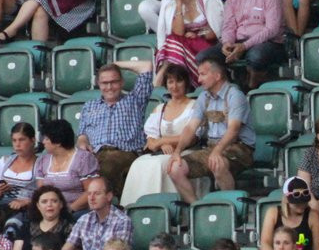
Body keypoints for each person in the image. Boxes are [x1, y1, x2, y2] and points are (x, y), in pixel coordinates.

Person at [167, 57, 257, 202]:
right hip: (212, 148)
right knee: (175, 169)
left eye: (203, 74)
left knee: (217, 162)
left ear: (217, 75)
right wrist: (177, 151)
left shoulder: (235, 95)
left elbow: (233, 130)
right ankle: (196, 209)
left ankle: (230, 206)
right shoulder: (203, 97)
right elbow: (190, 127)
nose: (199, 79)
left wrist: (217, 151)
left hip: (240, 149)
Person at [198, 0, 285, 90]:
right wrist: (227, 43)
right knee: (204, 57)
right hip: (238, 42)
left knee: (255, 56)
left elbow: (272, 29)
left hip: (268, 42)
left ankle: (251, 88)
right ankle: (229, 90)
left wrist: (244, 46)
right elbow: (228, 26)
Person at [121, 64, 200, 206]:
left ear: (186, 83)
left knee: (159, 165)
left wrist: (164, 140)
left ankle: (166, 208)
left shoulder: (194, 106)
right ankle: (136, 208)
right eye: (170, 82)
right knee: (139, 164)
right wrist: (162, 143)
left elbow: (192, 137)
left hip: (186, 151)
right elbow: (151, 141)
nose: (174, 86)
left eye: (179, 81)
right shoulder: (160, 108)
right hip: (162, 151)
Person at [75, 63, 152, 199]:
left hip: (123, 152)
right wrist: (82, 141)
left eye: (114, 82)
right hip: (95, 153)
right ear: (98, 83)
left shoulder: (135, 100)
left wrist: (115, 63)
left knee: (104, 170)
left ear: (122, 82)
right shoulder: (89, 106)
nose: (109, 87)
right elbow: (82, 134)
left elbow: (146, 66)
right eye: (105, 83)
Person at [152, 0, 223, 84]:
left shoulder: (208, 0)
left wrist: (198, 34)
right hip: (184, 48)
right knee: (173, 41)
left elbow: (218, 32)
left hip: (208, 46)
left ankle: (160, 81)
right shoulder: (170, 1)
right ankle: (177, 82)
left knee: (173, 42)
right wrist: (179, 3)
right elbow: (179, 33)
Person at [61, 176, 133, 250]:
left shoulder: (122, 221)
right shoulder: (84, 220)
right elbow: (67, 249)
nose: (91, 198)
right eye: (89, 194)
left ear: (109, 196)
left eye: (97, 193)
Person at [34, 120, 99, 214]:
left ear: (58, 142)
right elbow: (41, 192)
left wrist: (69, 209)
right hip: (49, 211)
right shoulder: (43, 160)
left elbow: (91, 191)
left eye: (47, 139)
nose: (43, 142)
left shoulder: (84, 159)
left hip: (77, 211)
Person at [13, 186, 76, 250]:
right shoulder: (26, 226)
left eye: (54, 201)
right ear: (38, 206)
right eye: (44, 202)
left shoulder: (70, 227)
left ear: (61, 204)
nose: (49, 205)